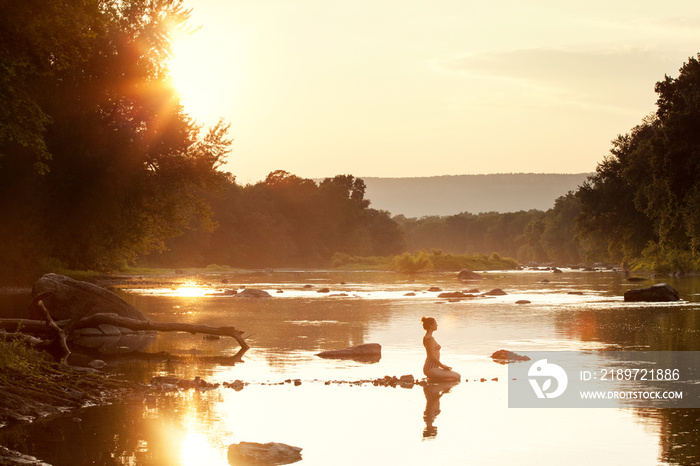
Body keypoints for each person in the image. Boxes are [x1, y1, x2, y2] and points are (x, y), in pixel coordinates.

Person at [422, 317, 460, 381]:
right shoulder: (429, 339)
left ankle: (434, 380)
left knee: (454, 377)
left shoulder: (426, 337)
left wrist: (441, 366)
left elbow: (431, 355)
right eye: (435, 323)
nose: (437, 325)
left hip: (433, 367)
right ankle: (433, 380)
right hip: (430, 368)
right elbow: (432, 356)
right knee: (457, 376)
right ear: (431, 326)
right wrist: (442, 366)